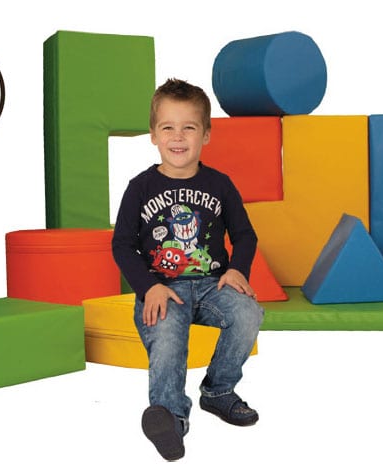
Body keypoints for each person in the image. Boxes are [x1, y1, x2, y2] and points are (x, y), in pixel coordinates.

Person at [111, 78, 264, 461]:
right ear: (153, 135)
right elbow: (122, 245)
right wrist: (148, 287)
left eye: (189, 128)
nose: (177, 137)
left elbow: (245, 235)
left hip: (212, 285)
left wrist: (238, 270)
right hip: (162, 287)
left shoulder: (220, 185)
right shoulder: (140, 187)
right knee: (167, 335)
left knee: (248, 313)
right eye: (168, 127)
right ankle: (171, 418)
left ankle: (218, 391)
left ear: (206, 135)